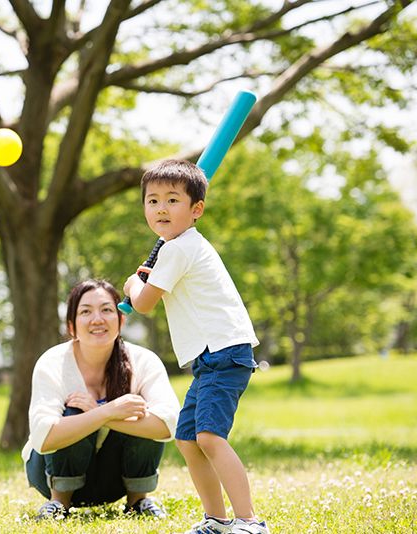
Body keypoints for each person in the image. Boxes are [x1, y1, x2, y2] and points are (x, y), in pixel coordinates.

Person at [123, 159, 268, 534]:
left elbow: (143, 303)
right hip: (209, 356)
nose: (161, 209)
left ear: (196, 209)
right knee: (188, 438)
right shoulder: (179, 247)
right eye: (152, 201)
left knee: (209, 437)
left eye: (173, 200)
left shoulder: (179, 249)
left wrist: (131, 285)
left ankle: (250, 522)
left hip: (224, 351)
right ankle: (217, 520)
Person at [22, 279, 180, 521]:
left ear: (121, 320)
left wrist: (102, 411)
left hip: (114, 479)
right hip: (47, 472)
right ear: (71, 326)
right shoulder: (52, 362)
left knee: (138, 411)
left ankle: (138, 501)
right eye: (86, 311)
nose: (97, 319)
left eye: (107, 310)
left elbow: (168, 424)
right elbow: (43, 437)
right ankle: (58, 504)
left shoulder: (143, 360)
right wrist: (105, 413)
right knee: (75, 411)